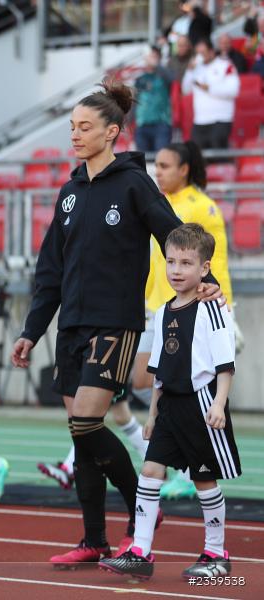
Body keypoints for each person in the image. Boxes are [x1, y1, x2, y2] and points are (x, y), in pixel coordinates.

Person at [11, 78, 222, 569]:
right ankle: (93, 539)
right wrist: (31, 330)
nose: (76, 136)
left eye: (85, 128)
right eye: (72, 128)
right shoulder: (68, 192)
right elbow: (50, 272)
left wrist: (201, 279)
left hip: (116, 323)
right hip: (71, 326)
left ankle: (142, 511)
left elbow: (175, 234)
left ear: (112, 133)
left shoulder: (134, 184)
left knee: (86, 421)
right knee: (81, 436)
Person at [99, 223, 239, 580]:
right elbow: (158, 371)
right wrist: (152, 415)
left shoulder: (212, 308)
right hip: (169, 408)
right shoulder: (163, 312)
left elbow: (225, 364)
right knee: (150, 471)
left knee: (204, 481)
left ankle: (216, 552)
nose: (177, 271)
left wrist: (219, 404)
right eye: (171, 262)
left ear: (204, 268)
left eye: (186, 263)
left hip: (202, 403)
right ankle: (140, 552)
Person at [137, 141, 233, 499]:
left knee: (186, 387)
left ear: (184, 170)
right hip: (159, 308)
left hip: (200, 308)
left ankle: (183, 462)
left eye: (164, 165)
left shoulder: (200, 207)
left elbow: (211, 260)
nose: (157, 171)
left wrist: (217, 295)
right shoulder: (162, 204)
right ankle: (160, 453)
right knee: (142, 379)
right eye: (156, 165)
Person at [182, 38, 240, 151]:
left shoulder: (226, 66)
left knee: (218, 156)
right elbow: (185, 90)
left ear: (212, 51)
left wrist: (210, 88)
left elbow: (233, 90)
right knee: (198, 157)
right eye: (198, 53)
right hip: (200, 120)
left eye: (203, 53)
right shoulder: (195, 69)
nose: (200, 56)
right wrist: (189, 71)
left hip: (221, 118)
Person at [134, 47, 174, 154]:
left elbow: (172, 79)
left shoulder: (164, 75)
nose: (153, 59)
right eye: (151, 56)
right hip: (142, 125)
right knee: (142, 162)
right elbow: (135, 101)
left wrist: (158, 65)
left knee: (162, 157)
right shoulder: (139, 79)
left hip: (162, 124)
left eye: (155, 56)